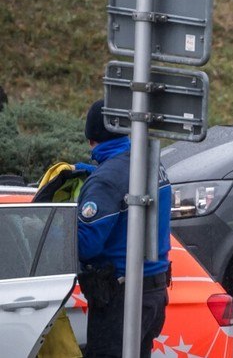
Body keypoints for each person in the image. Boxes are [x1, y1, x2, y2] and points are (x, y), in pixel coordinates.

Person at [76, 99, 172, 357]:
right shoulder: (149, 165)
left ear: (92, 139)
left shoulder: (105, 181)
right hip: (154, 293)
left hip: (122, 299)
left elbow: (86, 245)